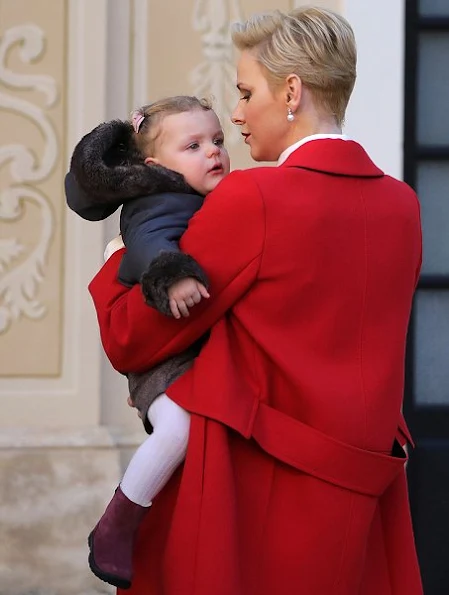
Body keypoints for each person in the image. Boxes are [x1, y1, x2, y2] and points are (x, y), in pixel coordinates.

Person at [86, 7, 423, 595]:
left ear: (291, 91)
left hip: (254, 499)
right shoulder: (402, 205)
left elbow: (131, 337)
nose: (237, 115)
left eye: (245, 93)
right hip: (363, 506)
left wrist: (117, 253)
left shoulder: (253, 198)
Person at [65, 96, 230, 589]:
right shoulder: (160, 201)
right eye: (194, 145)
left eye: (218, 141)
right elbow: (151, 242)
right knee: (178, 429)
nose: (214, 153)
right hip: (166, 360)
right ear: (157, 167)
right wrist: (171, 275)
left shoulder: (201, 196)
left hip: (184, 356)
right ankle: (118, 523)